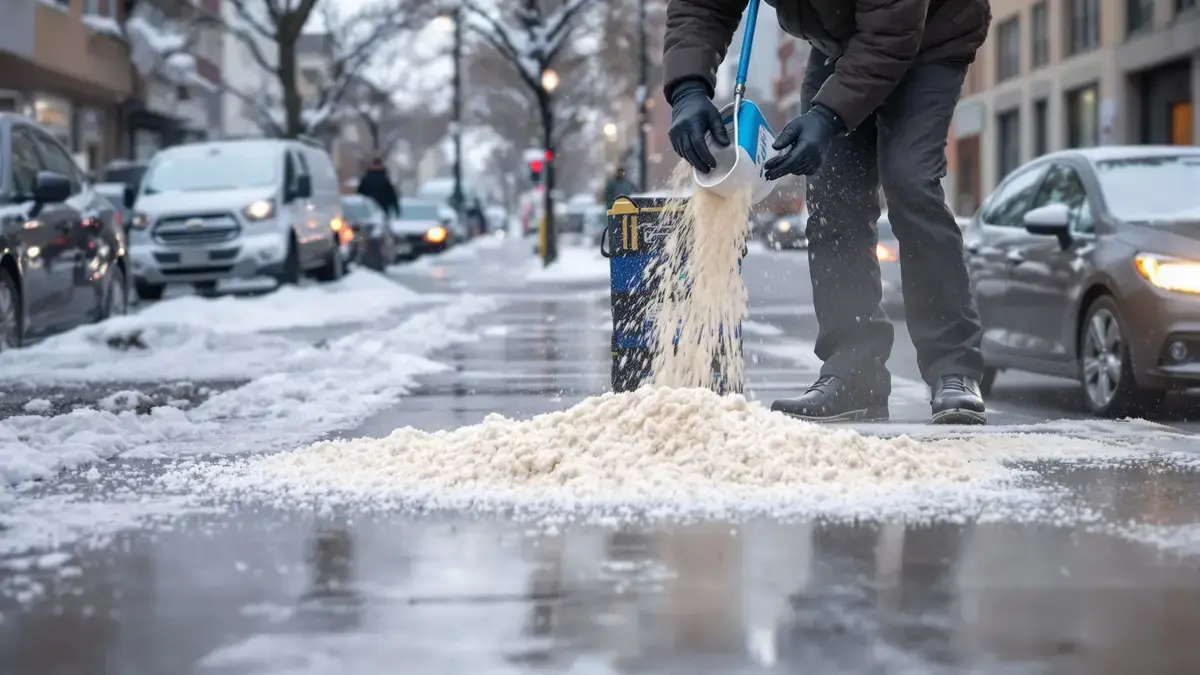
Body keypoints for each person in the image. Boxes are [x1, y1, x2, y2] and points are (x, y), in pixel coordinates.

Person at [663, 0, 991, 425]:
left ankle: (953, 369)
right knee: (833, 196)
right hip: (841, 42)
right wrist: (688, 89)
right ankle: (855, 373)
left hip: (932, 36)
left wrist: (827, 116)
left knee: (910, 181)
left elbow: (891, 33)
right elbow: (701, 6)